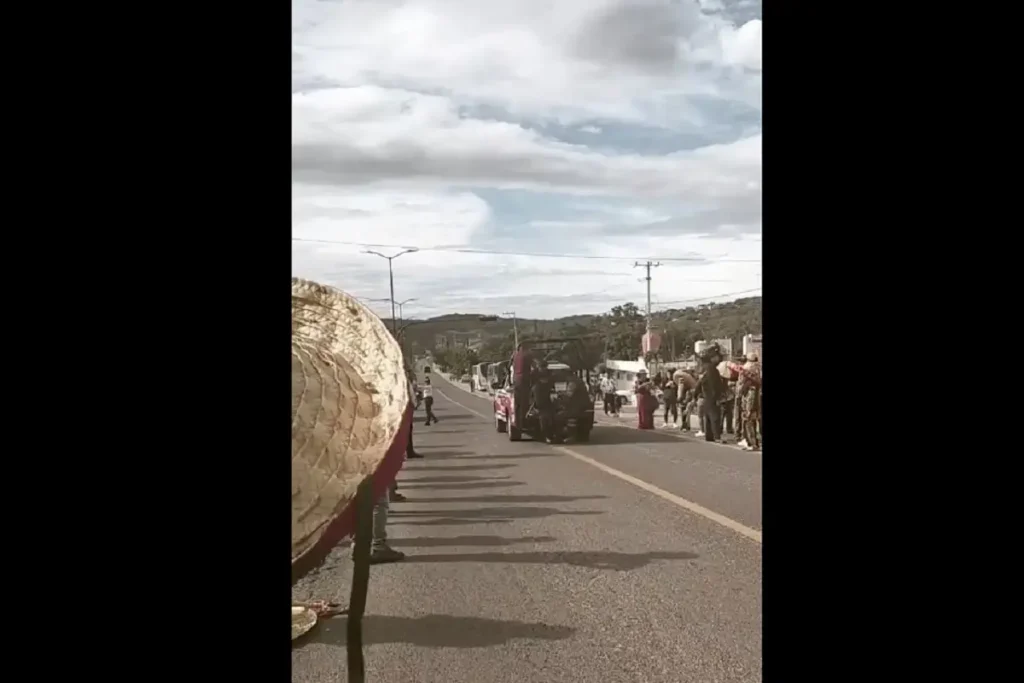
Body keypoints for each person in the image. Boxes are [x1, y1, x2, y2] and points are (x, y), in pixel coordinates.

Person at [694, 361, 724, 442]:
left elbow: (697, 386)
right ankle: (717, 436)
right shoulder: (715, 374)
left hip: (706, 398)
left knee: (707, 418)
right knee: (715, 418)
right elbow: (719, 387)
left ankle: (709, 436)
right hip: (713, 398)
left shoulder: (704, 377)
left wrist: (695, 396)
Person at [737, 359, 761, 451]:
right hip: (749, 407)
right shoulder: (751, 385)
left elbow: (750, 399)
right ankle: (750, 443)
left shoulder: (750, 386)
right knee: (749, 425)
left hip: (750, 408)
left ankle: (753, 444)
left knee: (750, 425)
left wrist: (748, 410)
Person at [511, 343, 534, 429]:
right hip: (524, 380)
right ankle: (524, 423)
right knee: (525, 403)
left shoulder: (515, 355)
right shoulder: (526, 355)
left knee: (519, 404)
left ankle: (519, 423)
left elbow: (513, 366)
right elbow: (534, 365)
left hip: (517, 380)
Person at [530, 366, 555, 443]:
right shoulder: (537, 387)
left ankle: (549, 436)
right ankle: (547, 436)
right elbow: (536, 400)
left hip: (547, 407)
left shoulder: (548, 386)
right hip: (541, 408)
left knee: (549, 421)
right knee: (545, 421)